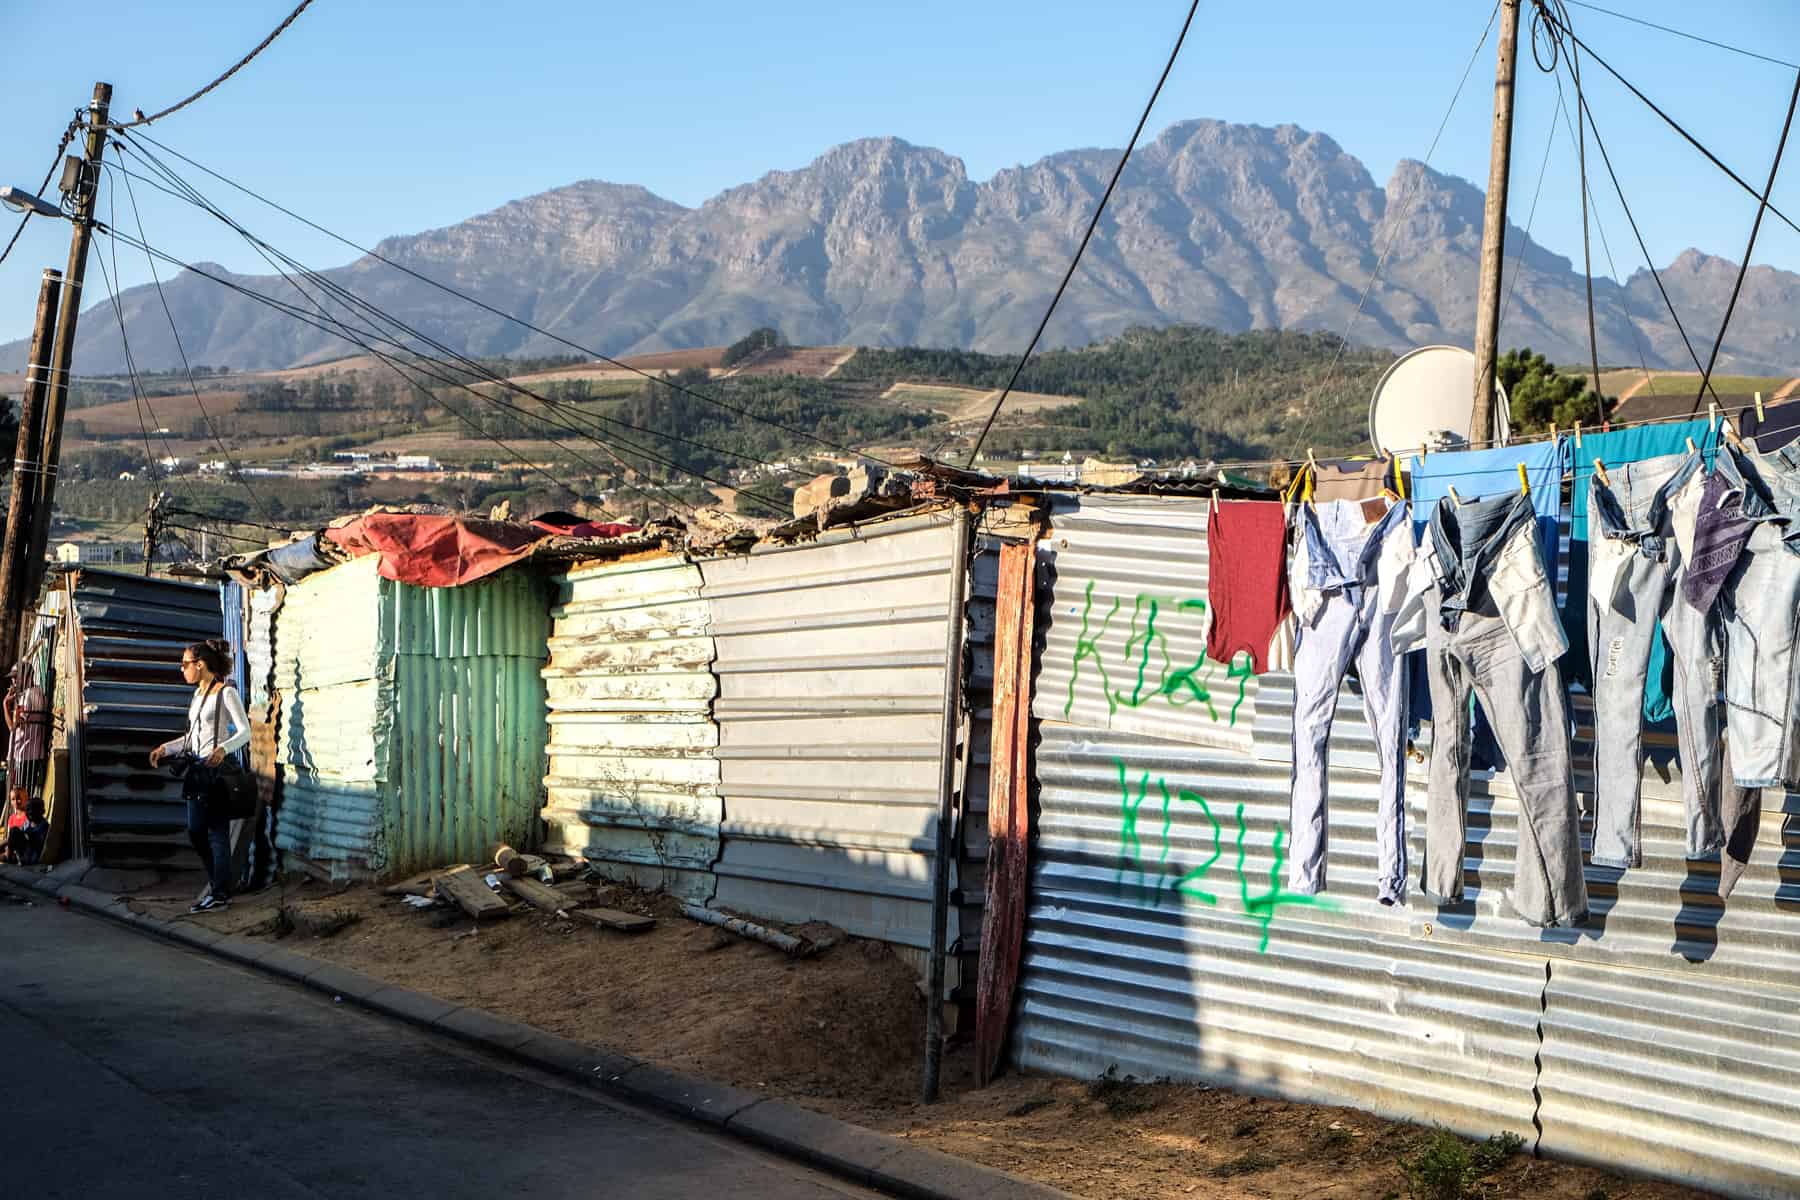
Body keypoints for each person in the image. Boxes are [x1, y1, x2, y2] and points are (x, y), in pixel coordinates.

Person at [149, 639, 250, 913]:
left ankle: (219, 894)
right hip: (197, 770)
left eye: (184, 664)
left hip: (217, 770)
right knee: (196, 832)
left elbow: (245, 732)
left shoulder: (225, 693)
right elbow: (192, 739)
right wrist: (165, 748)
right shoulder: (196, 697)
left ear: (200, 664)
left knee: (216, 833)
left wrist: (223, 748)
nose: (182, 670)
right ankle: (219, 883)